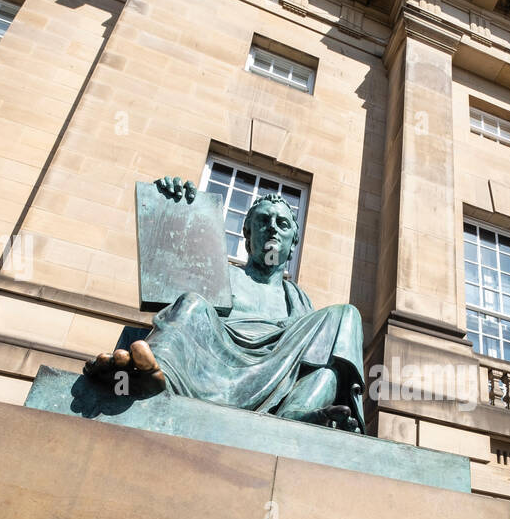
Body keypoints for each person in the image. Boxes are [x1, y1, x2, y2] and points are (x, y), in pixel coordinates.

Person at [83, 178, 366, 432]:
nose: (272, 229)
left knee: (343, 326)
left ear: (293, 243)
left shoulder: (300, 302)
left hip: (280, 372)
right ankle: (153, 376)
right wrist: (173, 205)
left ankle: (295, 412)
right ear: (246, 233)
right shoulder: (219, 276)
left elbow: (311, 360)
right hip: (213, 363)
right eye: (263, 221)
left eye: (282, 224)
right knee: (192, 301)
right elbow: (170, 279)